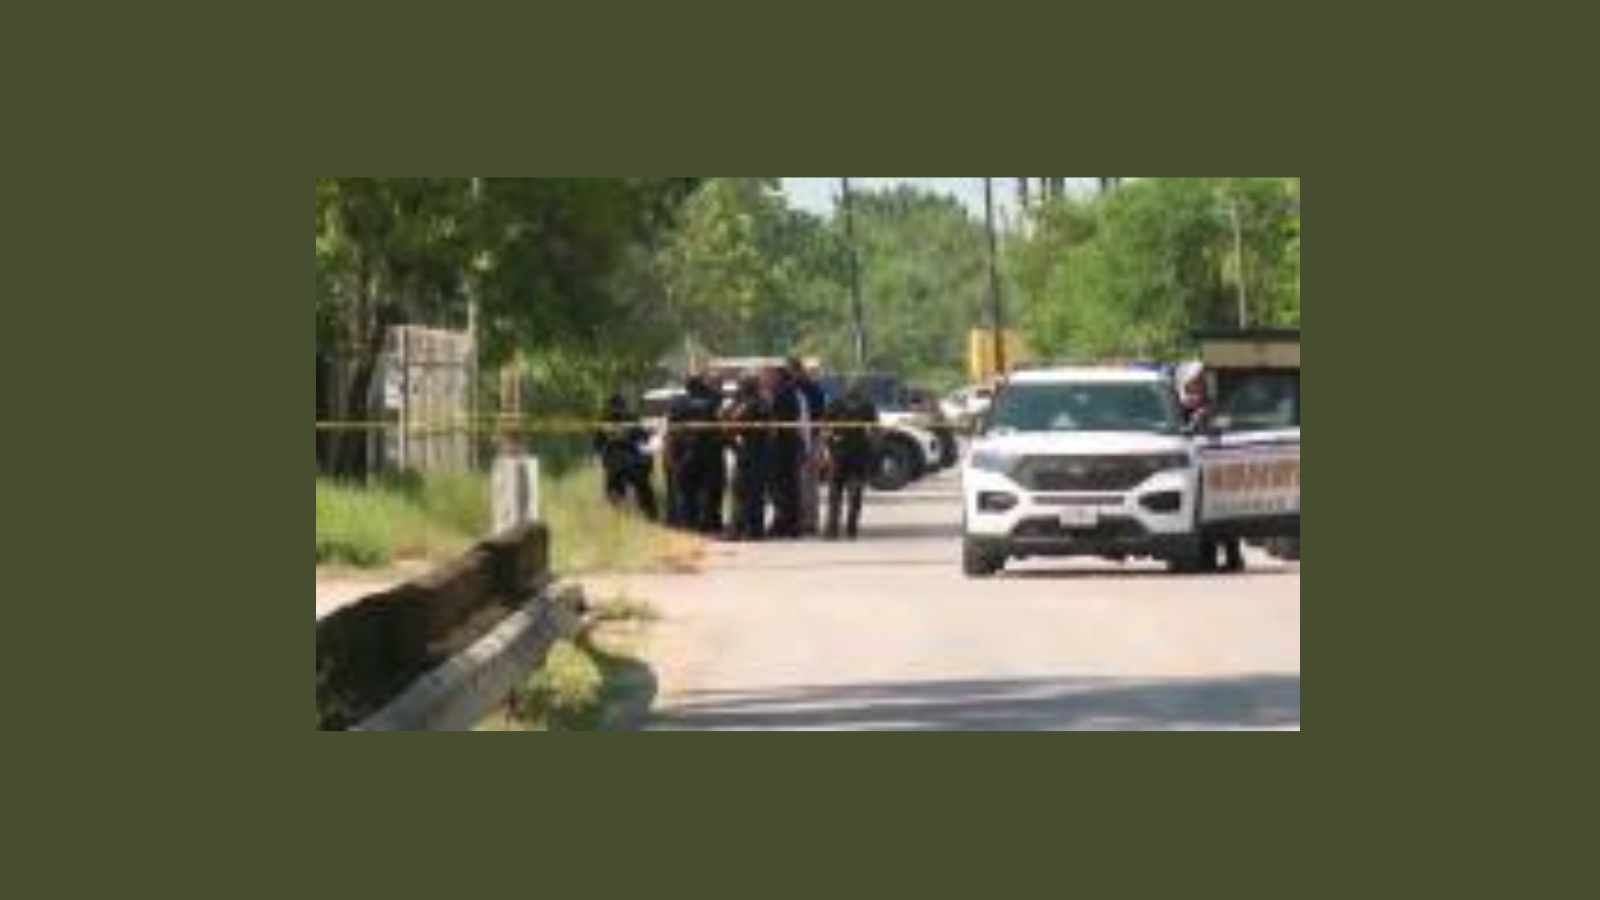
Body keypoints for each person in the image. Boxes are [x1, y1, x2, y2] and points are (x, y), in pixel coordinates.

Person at [823, 380, 880, 541]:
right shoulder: (865, 405)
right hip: (850, 455)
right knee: (847, 494)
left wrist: (829, 444)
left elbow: (825, 428)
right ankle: (845, 529)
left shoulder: (838, 404)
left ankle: (837, 529)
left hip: (847, 455)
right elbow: (825, 428)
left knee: (841, 494)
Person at [594, 394, 658, 520]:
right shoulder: (631, 417)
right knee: (643, 488)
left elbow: (597, 444)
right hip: (630, 460)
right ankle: (650, 515)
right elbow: (644, 437)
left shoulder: (604, 419)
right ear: (623, 405)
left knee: (615, 491)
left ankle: (619, 516)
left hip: (614, 461)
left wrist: (603, 455)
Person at [725, 375, 771, 541]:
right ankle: (755, 530)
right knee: (757, 493)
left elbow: (732, 424)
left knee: (741, 491)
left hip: (750, 452)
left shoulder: (749, 404)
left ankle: (737, 530)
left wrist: (735, 447)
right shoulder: (765, 402)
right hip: (762, 452)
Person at [790, 358, 829, 537]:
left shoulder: (809, 390)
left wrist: (820, 444)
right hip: (806, 439)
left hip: (809, 439)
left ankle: (808, 521)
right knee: (806, 483)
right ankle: (807, 521)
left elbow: (821, 419)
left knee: (806, 482)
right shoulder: (813, 389)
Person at [765, 366, 804, 539]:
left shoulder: (779, 394)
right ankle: (792, 525)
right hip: (792, 444)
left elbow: (773, 421)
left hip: (781, 446)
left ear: (779, 378)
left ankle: (782, 523)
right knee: (791, 486)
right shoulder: (794, 394)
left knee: (779, 487)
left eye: (770, 377)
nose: (767, 380)